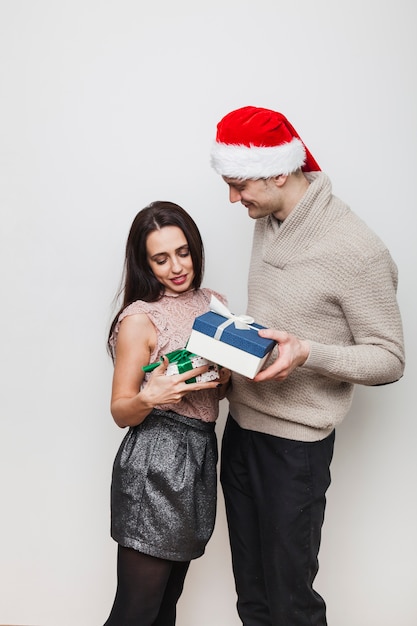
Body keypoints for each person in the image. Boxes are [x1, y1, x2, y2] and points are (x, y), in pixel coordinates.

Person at [210, 106, 405, 626]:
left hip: (295, 450)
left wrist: (309, 353)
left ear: (279, 171)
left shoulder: (356, 248)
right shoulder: (269, 218)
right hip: (242, 432)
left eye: (238, 184)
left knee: (292, 603)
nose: (233, 199)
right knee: (251, 596)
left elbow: (389, 357)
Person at [103, 200, 231, 626]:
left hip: (199, 453)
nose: (175, 267)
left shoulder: (214, 303)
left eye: (182, 252)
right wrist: (150, 395)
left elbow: (218, 391)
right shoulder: (141, 318)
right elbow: (121, 410)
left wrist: (232, 370)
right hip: (155, 457)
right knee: (135, 612)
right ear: (145, 263)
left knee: (165, 607)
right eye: (160, 258)